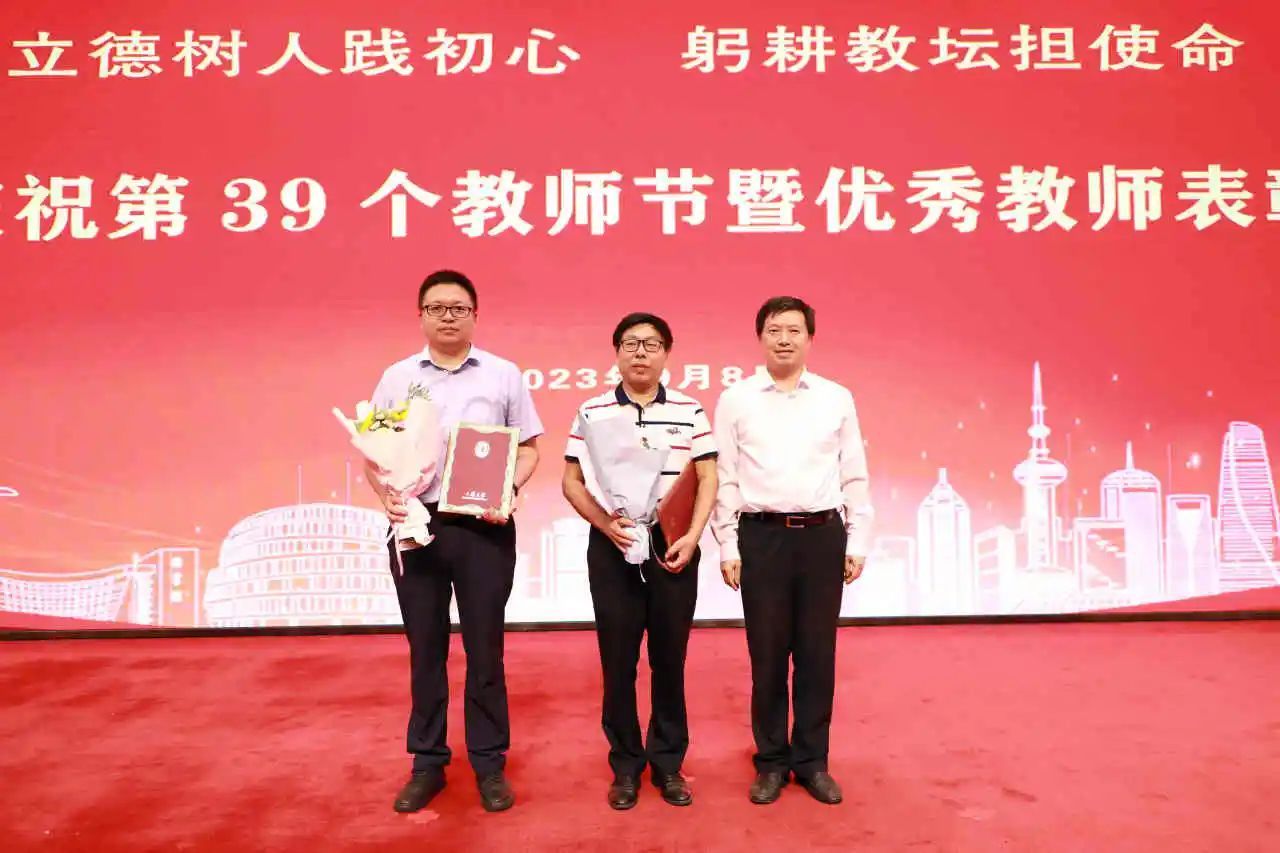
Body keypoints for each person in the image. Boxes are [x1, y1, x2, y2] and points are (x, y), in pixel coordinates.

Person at [368, 269, 543, 813]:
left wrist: (509, 486)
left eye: (458, 308)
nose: (448, 317)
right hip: (416, 526)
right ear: (421, 315)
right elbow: (374, 455)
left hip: (483, 528)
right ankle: (427, 762)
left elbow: (530, 447)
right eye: (437, 308)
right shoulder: (397, 377)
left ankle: (489, 763)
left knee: (486, 650)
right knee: (426, 649)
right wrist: (387, 497)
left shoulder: (503, 374)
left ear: (475, 315)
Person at [712, 296, 874, 806]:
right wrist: (727, 544)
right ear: (760, 337)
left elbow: (854, 471)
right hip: (762, 537)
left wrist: (858, 538)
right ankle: (771, 762)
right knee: (766, 656)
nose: (784, 339)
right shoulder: (736, 399)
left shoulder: (836, 397)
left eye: (794, 330)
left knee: (816, 656)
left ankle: (812, 762)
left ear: (810, 338)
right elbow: (725, 476)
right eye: (774, 330)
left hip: (823, 536)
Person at [562, 313, 718, 810]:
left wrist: (692, 536)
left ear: (667, 353)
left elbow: (708, 477)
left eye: (651, 344)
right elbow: (571, 481)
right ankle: (626, 765)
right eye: (630, 344)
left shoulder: (690, 409)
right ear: (616, 353)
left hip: (672, 544)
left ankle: (668, 764)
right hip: (613, 546)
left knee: (670, 659)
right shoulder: (592, 410)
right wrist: (605, 525)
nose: (640, 353)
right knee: (618, 661)